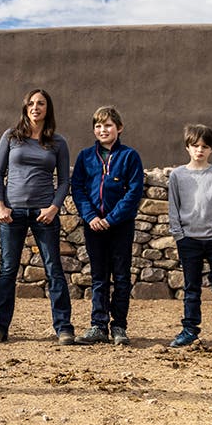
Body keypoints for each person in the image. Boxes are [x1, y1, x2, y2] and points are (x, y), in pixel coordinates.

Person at [0, 89, 75, 346]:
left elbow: (65, 180)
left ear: (48, 109)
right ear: (25, 108)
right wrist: (0, 205)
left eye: (41, 103)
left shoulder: (57, 142)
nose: (36, 107)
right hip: (12, 214)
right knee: (7, 270)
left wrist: (54, 207)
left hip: (43, 214)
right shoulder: (11, 137)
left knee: (54, 269)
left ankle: (64, 327)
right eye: (31, 103)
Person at [70, 106, 144, 346]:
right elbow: (78, 189)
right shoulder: (85, 157)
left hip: (120, 225)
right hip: (93, 225)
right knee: (99, 276)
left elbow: (133, 192)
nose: (104, 130)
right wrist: (91, 216)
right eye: (99, 126)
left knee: (121, 276)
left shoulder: (130, 156)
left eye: (109, 125)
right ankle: (98, 325)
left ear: (119, 128)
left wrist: (111, 219)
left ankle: (119, 326)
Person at [167, 124, 212, 350]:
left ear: (211, 149)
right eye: (195, 146)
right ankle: (190, 330)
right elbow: (173, 207)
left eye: (205, 146)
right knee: (191, 287)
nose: (200, 150)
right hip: (189, 240)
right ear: (188, 147)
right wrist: (179, 234)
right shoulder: (178, 176)